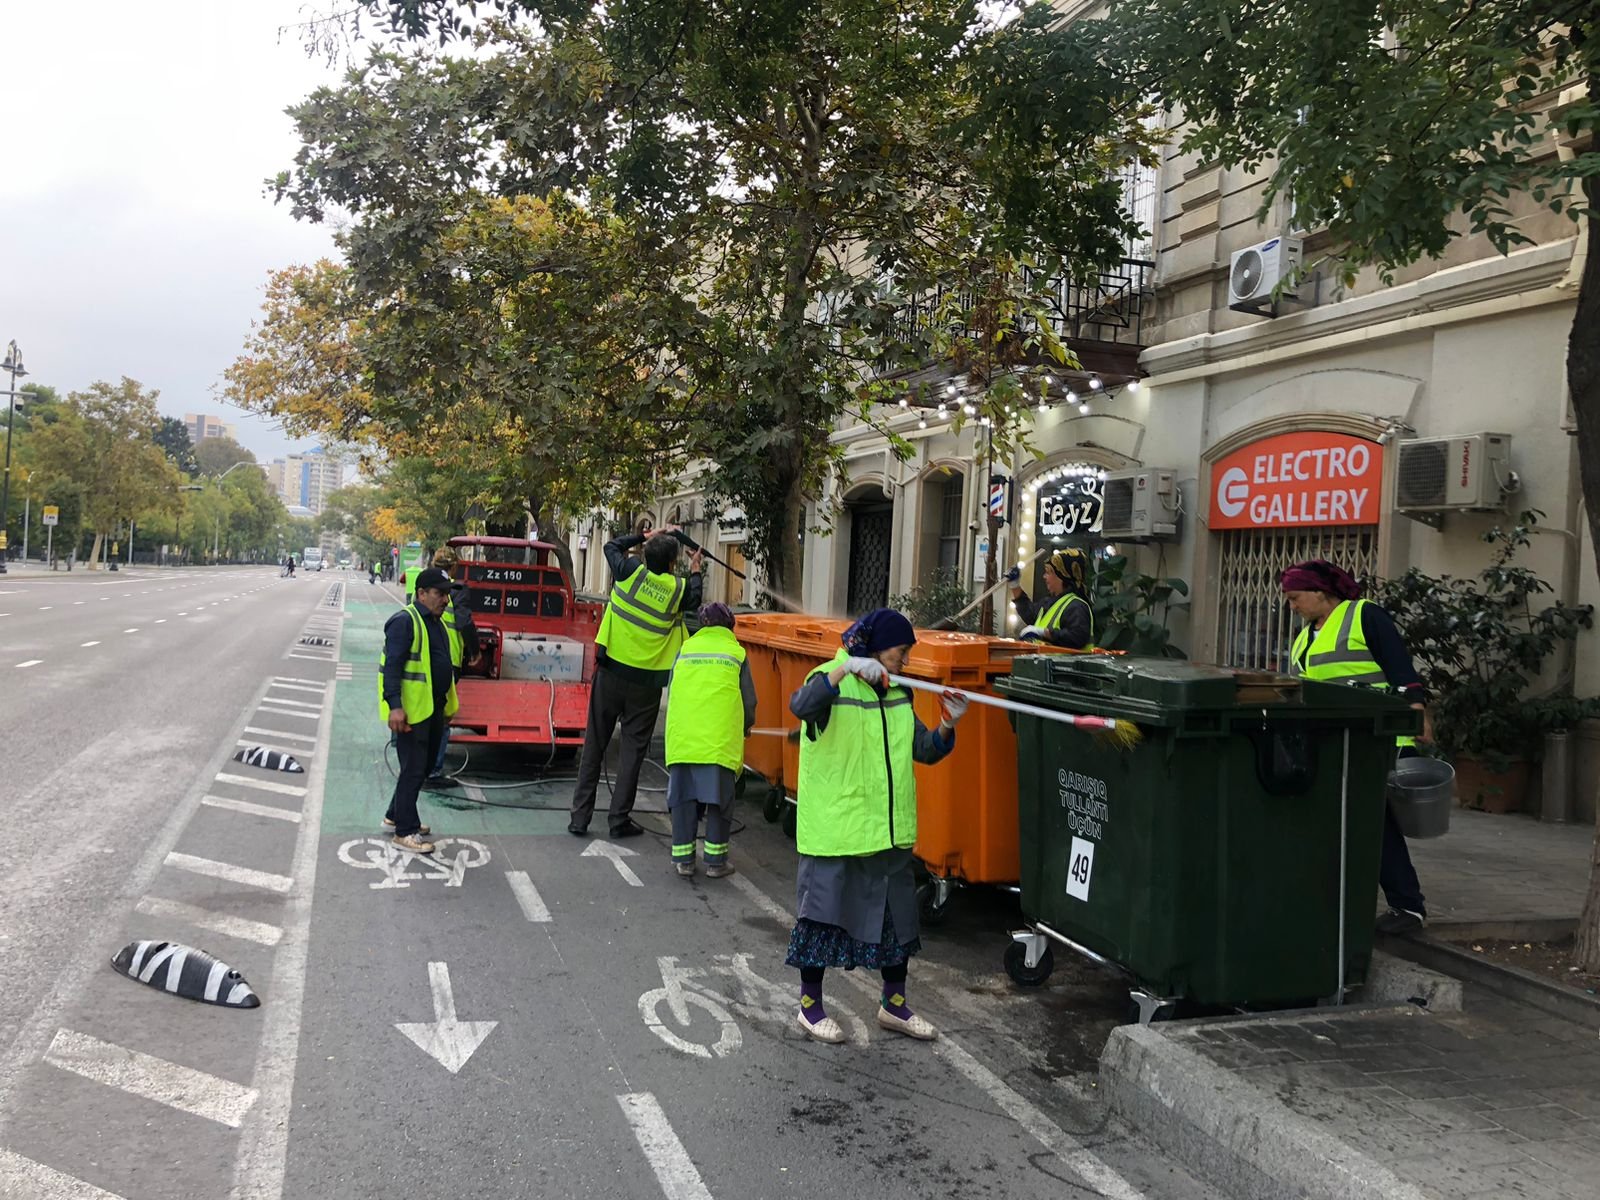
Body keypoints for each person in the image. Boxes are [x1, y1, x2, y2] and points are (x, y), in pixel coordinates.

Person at [785, 608, 969, 1044]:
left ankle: (894, 1004)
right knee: (821, 921)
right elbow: (801, 705)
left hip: (888, 833)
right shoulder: (829, 678)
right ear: (876, 647)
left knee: (898, 923)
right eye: (900, 652)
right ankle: (810, 1007)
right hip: (838, 831)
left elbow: (924, 749)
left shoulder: (899, 693)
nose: (904, 661)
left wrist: (948, 724)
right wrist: (845, 669)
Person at [1281, 559, 1432, 935]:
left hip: (1381, 741)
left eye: (1296, 597)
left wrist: (1418, 713)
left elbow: (1400, 668)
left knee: (1375, 824)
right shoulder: (1305, 637)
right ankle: (1346, 900)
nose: (1292, 606)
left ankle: (1407, 906)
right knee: (1348, 824)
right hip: (1337, 743)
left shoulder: (1364, 616)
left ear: (1320, 592)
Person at [569, 525, 704, 838]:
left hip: (610, 672)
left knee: (594, 746)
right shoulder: (678, 589)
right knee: (632, 754)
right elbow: (696, 597)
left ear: (645, 556)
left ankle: (579, 819)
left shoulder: (630, 572)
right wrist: (696, 567)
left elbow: (611, 547)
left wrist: (645, 535)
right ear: (673, 564)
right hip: (646, 683)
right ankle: (618, 821)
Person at [663, 603, 757, 879]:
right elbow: (748, 701)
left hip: (683, 740)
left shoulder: (685, 650)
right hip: (718, 741)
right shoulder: (736, 653)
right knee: (718, 802)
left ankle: (684, 861)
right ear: (730, 626)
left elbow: (673, 691)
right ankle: (716, 863)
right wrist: (746, 726)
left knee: (683, 800)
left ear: (703, 625)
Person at [378, 568, 458, 854]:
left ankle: (396, 814)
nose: (445, 600)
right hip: (412, 712)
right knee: (414, 768)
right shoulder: (405, 621)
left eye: (447, 594)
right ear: (421, 594)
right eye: (439, 593)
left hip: (432, 707)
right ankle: (405, 831)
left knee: (422, 767)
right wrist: (395, 707)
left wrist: (448, 705)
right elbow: (392, 668)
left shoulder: (436, 622)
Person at [424, 546, 482, 787]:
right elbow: (464, 622)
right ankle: (433, 772)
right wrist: (475, 651)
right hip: (449, 660)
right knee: (443, 717)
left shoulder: (425, 587)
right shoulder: (455, 590)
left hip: (425, 656)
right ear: (454, 567)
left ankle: (420, 767)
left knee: (425, 712)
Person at [1007, 547, 1092, 648]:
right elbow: (1030, 614)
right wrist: (1014, 585)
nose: (1044, 576)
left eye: (1048, 572)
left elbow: (1077, 637)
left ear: (1061, 576)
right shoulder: (1050, 602)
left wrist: (1045, 633)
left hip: (1064, 659)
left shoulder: (1076, 606)